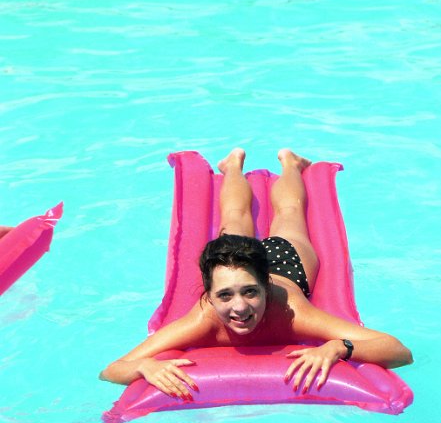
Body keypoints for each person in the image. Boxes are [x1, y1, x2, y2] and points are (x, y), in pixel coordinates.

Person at [100, 148, 412, 400]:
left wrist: (339, 346)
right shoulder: (203, 319)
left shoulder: (292, 312)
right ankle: (232, 167)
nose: (239, 307)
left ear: (265, 286)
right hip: (237, 264)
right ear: (209, 296)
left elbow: (400, 352)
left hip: (285, 261)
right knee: (234, 216)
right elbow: (112, 370)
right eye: (225, 296)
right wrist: (144, 367)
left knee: (289, 213)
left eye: (250, 292)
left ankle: (291, 163)